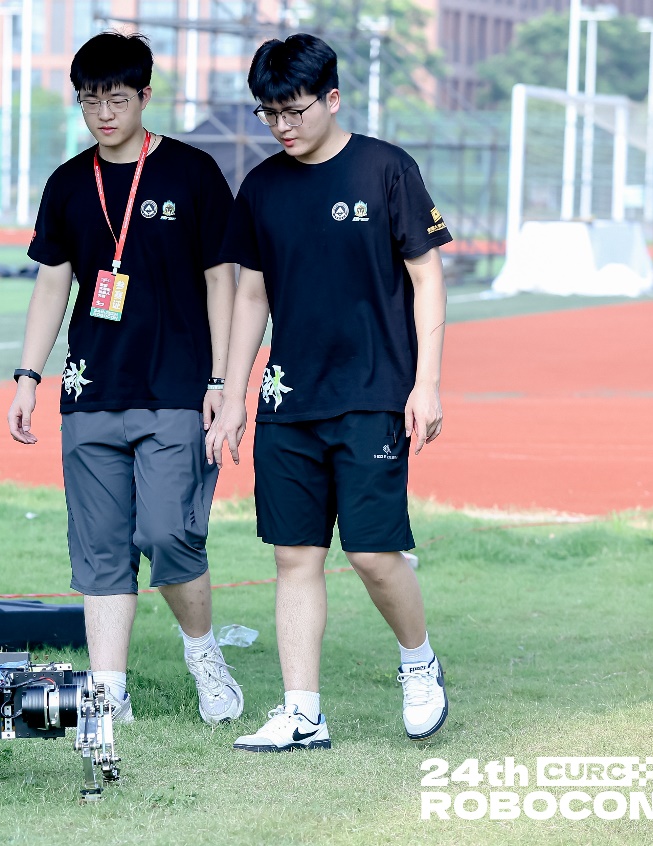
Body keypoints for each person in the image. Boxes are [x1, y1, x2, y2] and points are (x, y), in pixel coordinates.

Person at [206, 34, 450, 751]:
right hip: (289, 401)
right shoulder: (261, 187)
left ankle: (418, 662)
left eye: (294, 110)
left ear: (332, 99)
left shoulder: (385, 169)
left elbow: (427, 277)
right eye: (268, 113)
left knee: (373, 553)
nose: (281, 126)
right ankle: (302, 713)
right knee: (294, 557)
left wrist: (427, 383)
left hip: (374, 392)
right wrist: (233, 393)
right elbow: (251, 296)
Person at [7, 32, 242, 724]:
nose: (103, 113)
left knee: (168, 533)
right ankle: (108, 689)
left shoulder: (192, 172)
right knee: (101, 548)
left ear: (144, 96)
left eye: (116, 99)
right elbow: (52, 284)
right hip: (91, 391)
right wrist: (28, 375)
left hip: (175, 386)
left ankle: (203, 653)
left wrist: (221, 379)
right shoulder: (67, 183)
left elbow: (221, 281)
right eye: (90, 100)